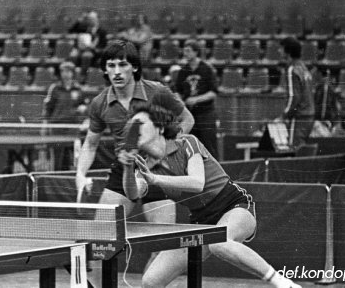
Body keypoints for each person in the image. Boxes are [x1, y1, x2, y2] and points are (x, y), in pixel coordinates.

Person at [121, 103, 302, 288]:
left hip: (233, 205)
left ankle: (283, 283)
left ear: (159, 127)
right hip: (200, 221)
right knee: (151, 281)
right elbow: (135, 192)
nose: (135, 129)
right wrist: (128, 168)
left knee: (219, 242)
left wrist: (155, 179)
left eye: (140, 123)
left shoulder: (186, 142)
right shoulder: (143, 161)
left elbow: (197, 183)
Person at [76, 41, 194, 281]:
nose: (117, 71)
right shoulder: (100, 103)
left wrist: (165, 149)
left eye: (123, 64)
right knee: (100, 243)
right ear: (105, 70)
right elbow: (90, 144)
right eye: (111, 65)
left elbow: (187, 119)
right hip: (124, 170)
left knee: (163, 245)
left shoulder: (156, 92)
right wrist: (80, 175)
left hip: (159, 171)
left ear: (135, 68)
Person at [175, 39, 219, 159]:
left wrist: (196, 99)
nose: (185, 53)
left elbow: (213, 92)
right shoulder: (183, 71)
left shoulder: (206, 69)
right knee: (191, 145)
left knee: (209, 145)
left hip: (206, 113)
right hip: (190, 114)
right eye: (184, 50)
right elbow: (178, 91)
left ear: (195, 52)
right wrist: (180, 102)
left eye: (188, 51)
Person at [43, 61, 85, 170]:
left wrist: (83, 108)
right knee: (57, 156)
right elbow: (48, 108)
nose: (65, 74)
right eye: (63, 71)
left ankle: (68, 179)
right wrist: (45, 125)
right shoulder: (55, 88)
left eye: (68, 71)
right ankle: (56, 177)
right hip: (58, 126)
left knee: (71, 157)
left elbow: (83, 104)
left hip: (72, 127)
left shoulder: (78, 89)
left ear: (72, 73)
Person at [277, 37, 315, 147]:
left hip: (299, 117)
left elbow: (293, 97)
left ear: (287, 51)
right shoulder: (303, 67)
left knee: (294, 149)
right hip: (309, 115)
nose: (279, 51)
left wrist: (284, 115)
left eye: (281, 48)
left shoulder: (292, 69)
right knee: (301, 148)